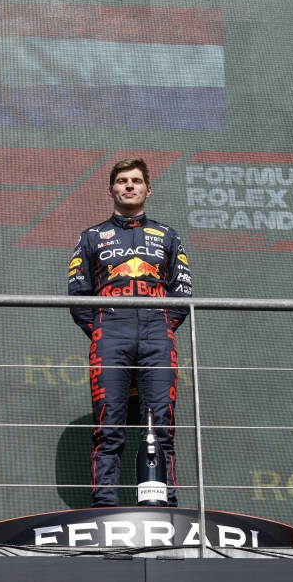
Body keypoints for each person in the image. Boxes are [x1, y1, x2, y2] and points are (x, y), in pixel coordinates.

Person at [69, 158, 192, 507]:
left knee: (162, 426)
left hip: (158, 335)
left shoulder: (168, 235)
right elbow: (79, 296)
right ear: (111, 189)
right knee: (108, 424)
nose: (129, 186)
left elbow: (183, 295)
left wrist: (162, 325)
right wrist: (103, 330)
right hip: (109, 336)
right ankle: (105, 503)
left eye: (136, 181)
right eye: (122, 181)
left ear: (147, 189)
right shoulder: (91, 237)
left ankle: (160, 502)